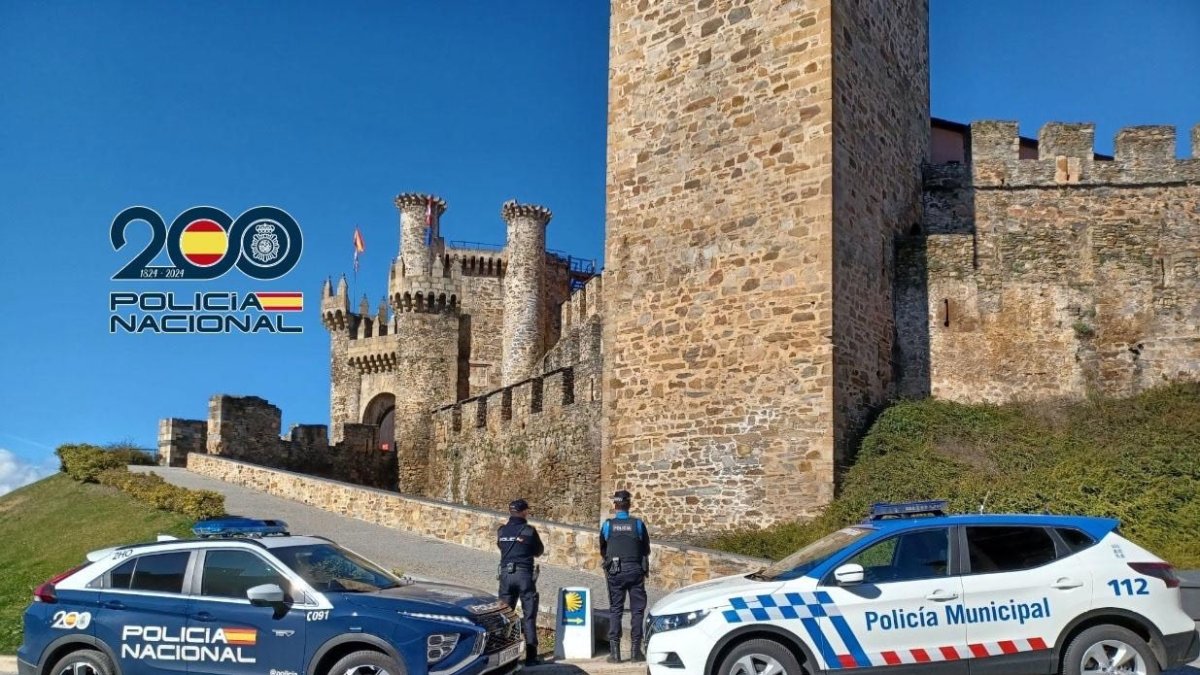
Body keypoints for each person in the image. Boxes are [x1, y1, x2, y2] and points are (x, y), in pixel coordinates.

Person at [599, 489, 650, 663]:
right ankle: (636, 652)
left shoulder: (607, 525)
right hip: (635, 569)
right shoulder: (637, 524)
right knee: (637, 611)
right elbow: (646, 549)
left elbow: (603, 548)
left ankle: (615, 654)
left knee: (616, 610)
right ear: (629, 505)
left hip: (615, 570)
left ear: (615, 505)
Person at [497, 498, 544, 666]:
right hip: (524, 576)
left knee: (504, 616)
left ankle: (504, 658)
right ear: (524, 512)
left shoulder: (501, 531)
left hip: (506, 577)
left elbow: (500, 547)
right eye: (527, 511)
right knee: (529, 616)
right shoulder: (529, 531)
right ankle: (531, 657)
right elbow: (539, 551)